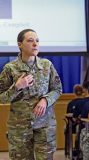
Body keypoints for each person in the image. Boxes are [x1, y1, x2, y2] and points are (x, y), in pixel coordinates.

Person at [0, 29, 62, 160]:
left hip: (45, 124)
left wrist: (45, 100)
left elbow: (57, 89)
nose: (35, 44)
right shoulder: (10, 68)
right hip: (19, 127)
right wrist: (17, 87)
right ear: (20, 44)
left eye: (37, 41)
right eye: (30, 40)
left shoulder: (47, 65)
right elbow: (1, 98)